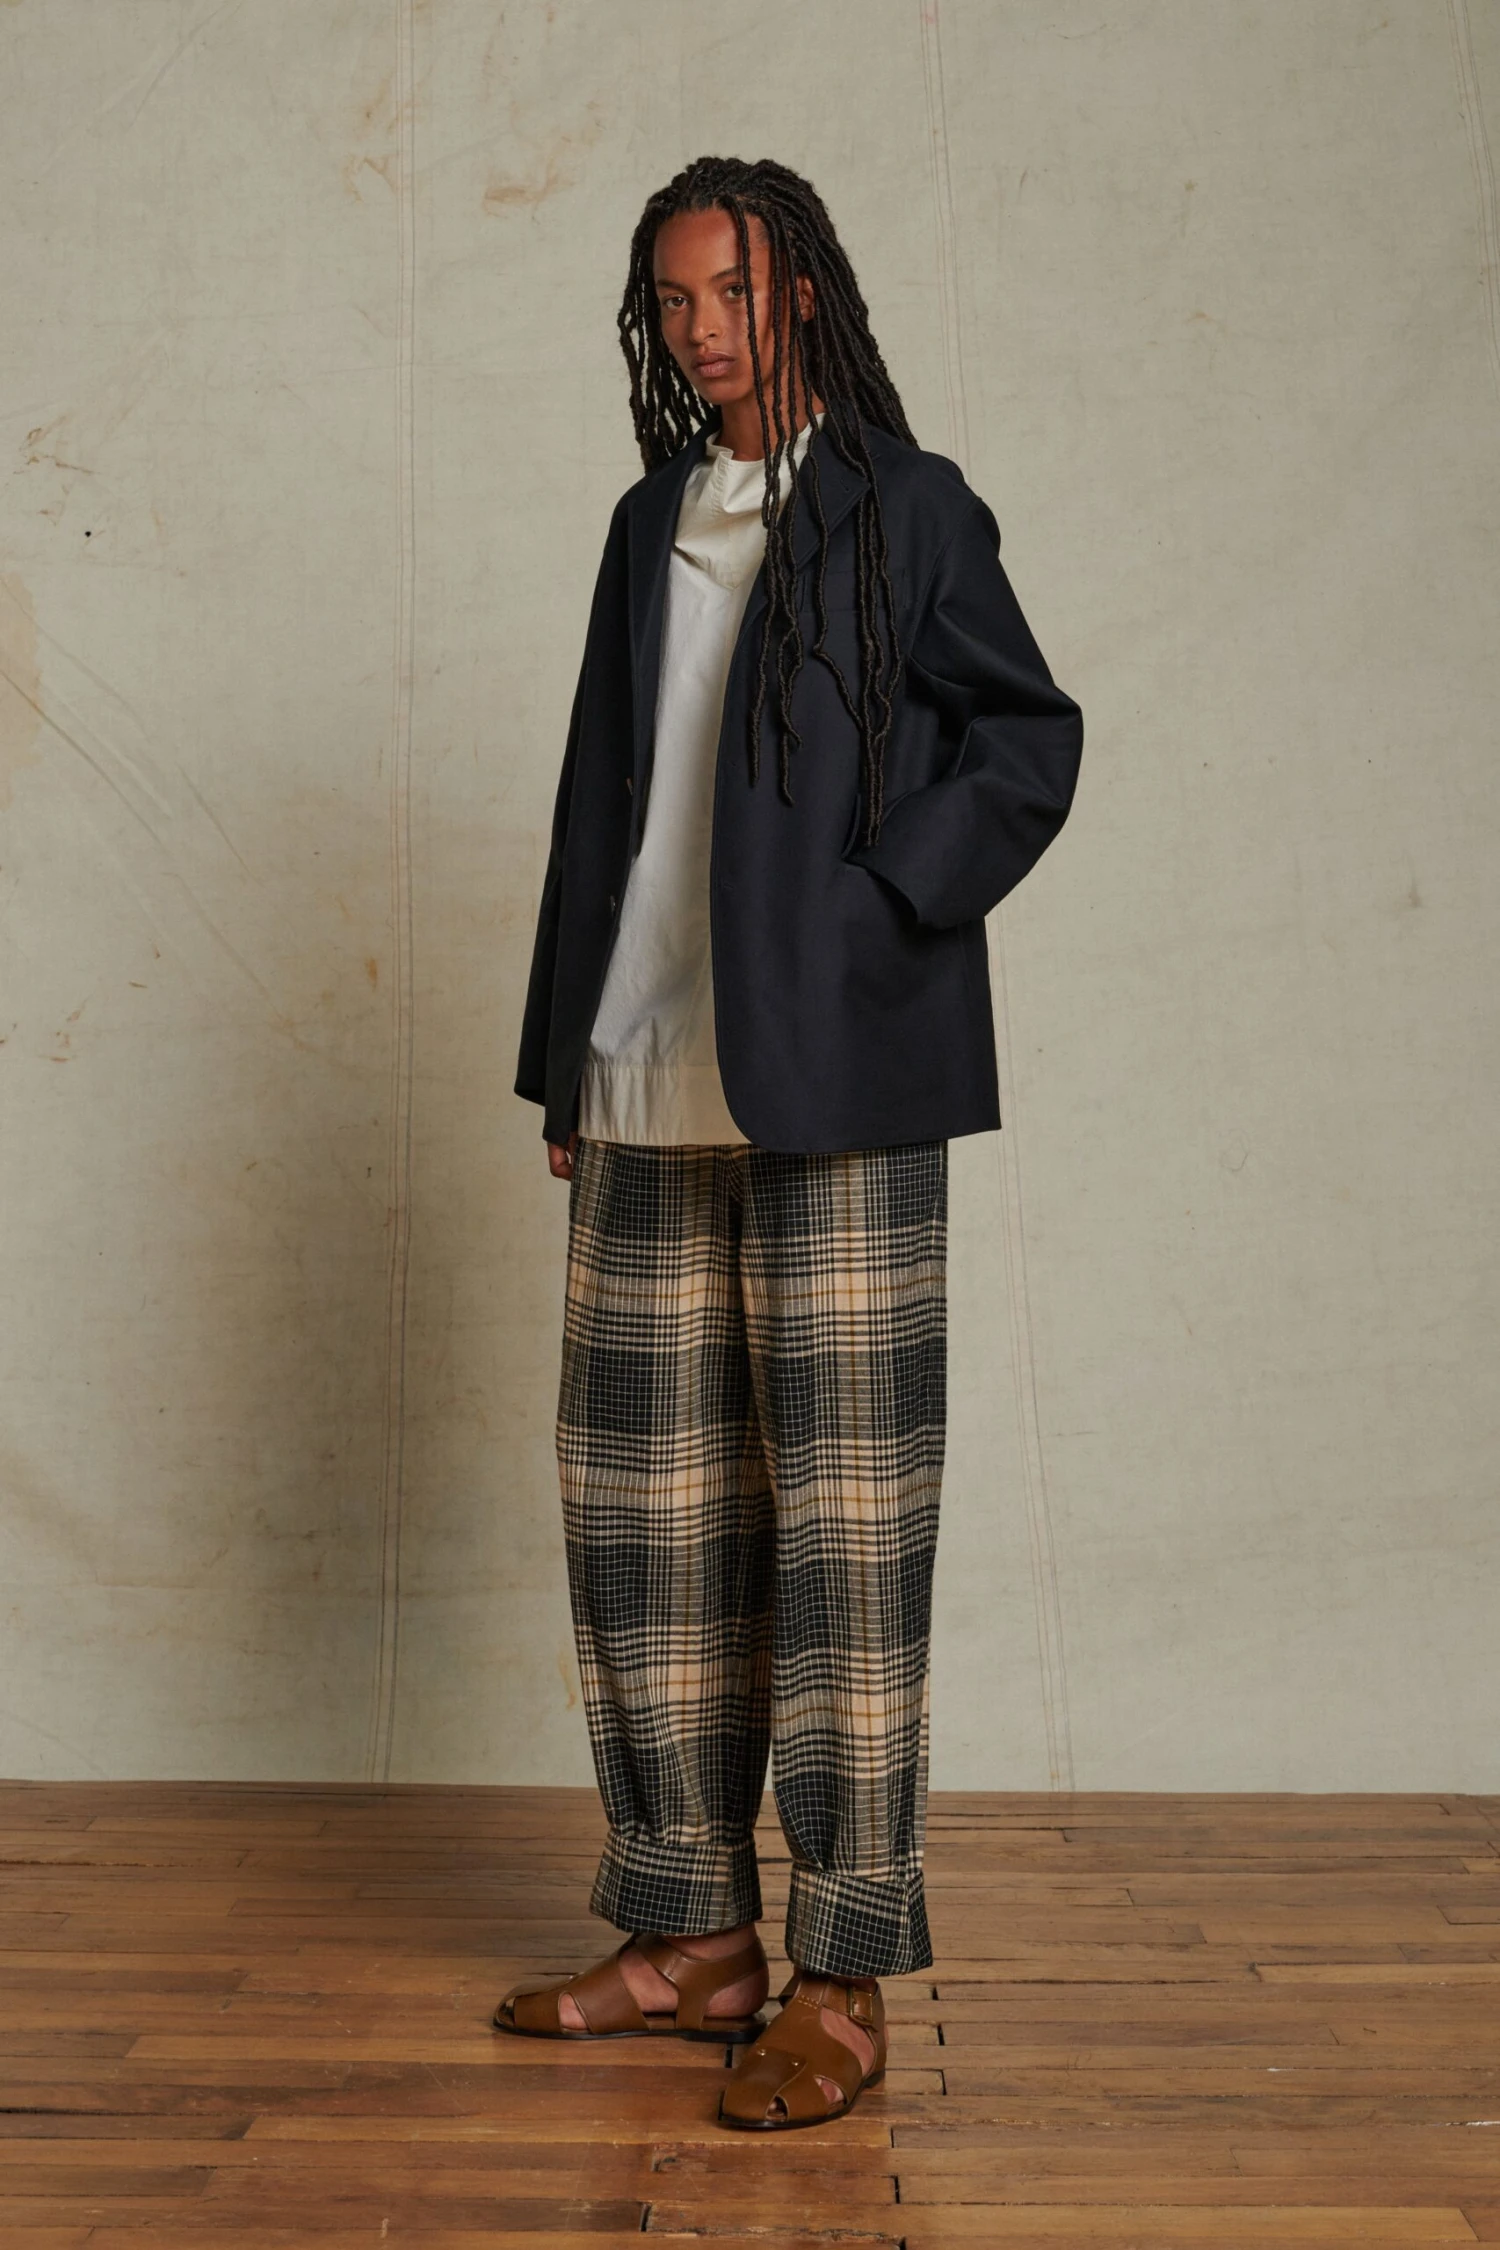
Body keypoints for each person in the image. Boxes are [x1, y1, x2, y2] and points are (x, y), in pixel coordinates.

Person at [498, 154, 1083, 2131]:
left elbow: (1026, 740)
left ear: (801, 291)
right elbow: (600, 798)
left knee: (843, 1530)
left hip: (842, 1081)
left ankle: (842, 1971)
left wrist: (878, 910)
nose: (701, 331)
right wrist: (563, 1063)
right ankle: (694, 1935)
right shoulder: (645, 523)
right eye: (672, 301)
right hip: (644, 1079)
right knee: (646, 1521)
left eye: (730, 291)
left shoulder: (907, 509)